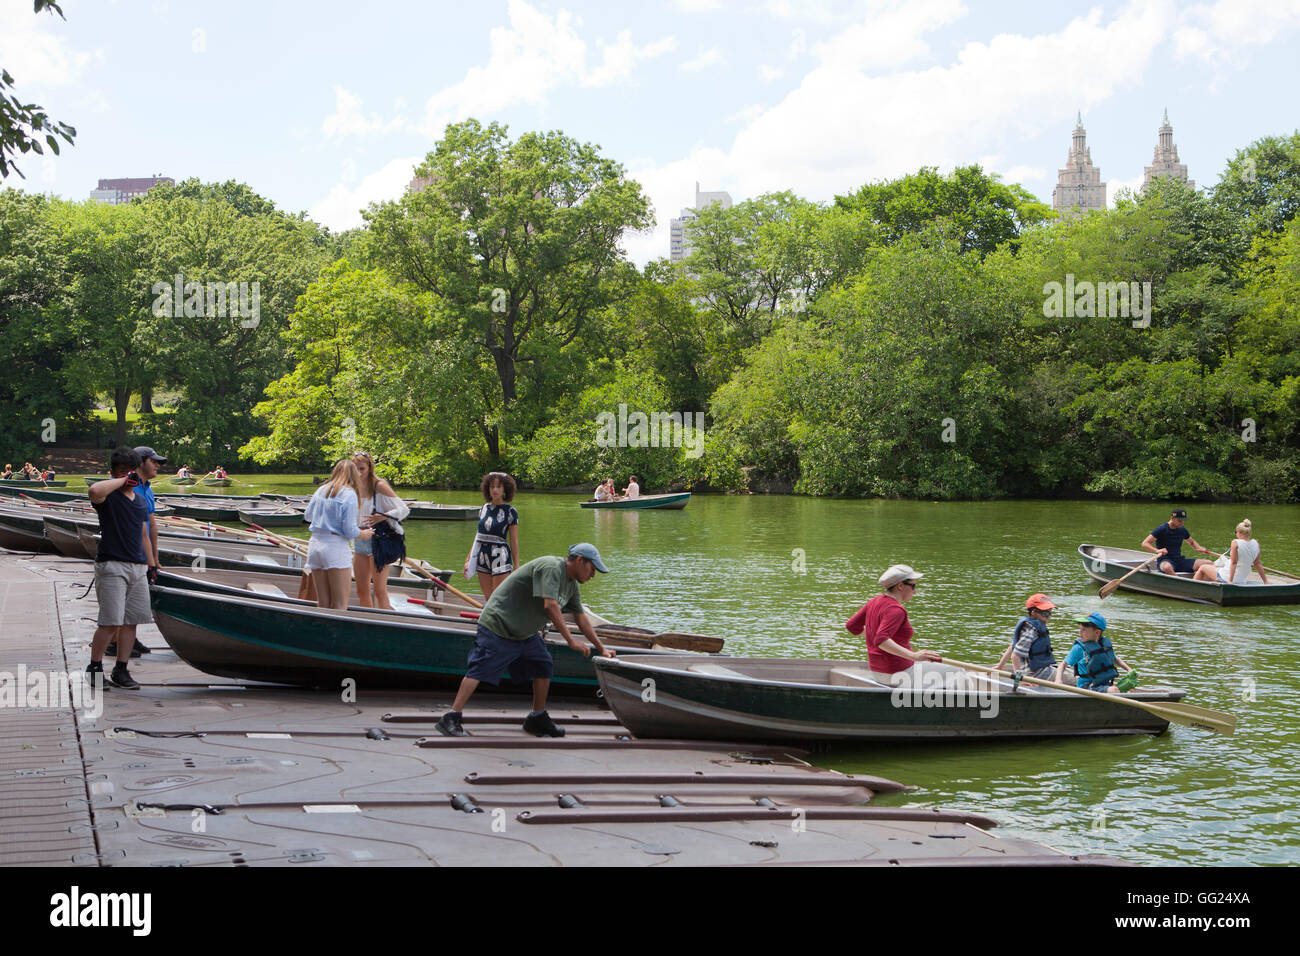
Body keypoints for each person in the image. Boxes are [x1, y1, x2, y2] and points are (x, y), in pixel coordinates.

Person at [436, 543, 616, 738]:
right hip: (498, 625)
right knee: (480, 668)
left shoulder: (571, 586)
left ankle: (536, 718)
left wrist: (602, 649)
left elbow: (581, 618)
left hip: (524, 633)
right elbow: (550, 605)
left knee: (543, 666)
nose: (593, 575)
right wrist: (571, 641)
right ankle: (451, 717)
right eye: (592, 569)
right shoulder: (552, 567)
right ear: (580, 560)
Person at [85, 448, 152, 690]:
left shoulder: (141, 500)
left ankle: (121, 670)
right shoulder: (108, 497)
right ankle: (94, 667)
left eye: (131, 472)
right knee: (110, 622)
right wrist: (122, 480)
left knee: (131, 622)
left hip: (137, 567)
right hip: (112, 565)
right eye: (123, 473)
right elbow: (94, 491)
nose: (129, 477)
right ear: (112, 473)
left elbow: (143, 533)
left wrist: (151, 562)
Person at [845, 564, 942, 685]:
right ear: (900, 586)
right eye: (913, 586)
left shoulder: (873, 602)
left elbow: (852, 626)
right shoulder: (896, 610)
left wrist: (872, 633)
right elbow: (881, 640)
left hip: (878, 672)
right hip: (899, 673)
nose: (915, 591)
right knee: (960, 673)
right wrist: (914, 656)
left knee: (931, 666)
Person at [302, 458, 372, 610]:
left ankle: (323, 632)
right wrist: (365, 534)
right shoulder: (349, 494)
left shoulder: (321, 489)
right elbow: (349, 530)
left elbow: (307, 516)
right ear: (354, 475)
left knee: (323, 603)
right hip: (335, 547)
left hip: (315, 545)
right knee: (340, 604)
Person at [351, 451, 410, 609]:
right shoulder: (353, 487)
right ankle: (367, 624)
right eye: (355, 469)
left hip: (378, 541)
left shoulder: (379, 486)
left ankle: (387, 621)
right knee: (361, 590)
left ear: (370, 468)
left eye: (362, 469)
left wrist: (384, 516)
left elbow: (403, 509)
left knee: (379, 591)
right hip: (359, 539)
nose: (358, 473)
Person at [464, 471, 520, 601]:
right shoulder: (483, 508)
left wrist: (516, 565)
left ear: (505, 489)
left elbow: (514, 540)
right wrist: (468, 559)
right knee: (488, 598)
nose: (495, 490)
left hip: (500, 555)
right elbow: (478, 535)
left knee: (498, 598)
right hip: (482, 555)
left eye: (498, 487)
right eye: (492, 486)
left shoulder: (510, 512)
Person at [994, 593, 1066, 681]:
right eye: (1045, 613)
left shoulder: (1030, 627)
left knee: (1068, 671)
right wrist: (1019, 680)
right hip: (1038, 674)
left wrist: (1000, 666)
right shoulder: (1032, 631)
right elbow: (1015, 656)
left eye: (1050, 613)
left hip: (1042, 670)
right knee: (1077, 679)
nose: (1049, 617)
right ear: (1034, 612)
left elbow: (1013, 646)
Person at [1055, 612, 1133, 694]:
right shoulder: (1079, 648)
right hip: (1086, 687)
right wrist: (1058, 680)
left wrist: (1129, 669)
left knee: (1128, 689)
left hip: (1104, 684)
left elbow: (1115, 659)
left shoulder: (1103, 646)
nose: (1080, 633)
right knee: (1114, 690)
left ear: (1097, 633)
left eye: (1084, 630)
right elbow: (1062, 665)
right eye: (1080, 629)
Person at [1142, 508, 1214, 577]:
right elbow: (1145, 543)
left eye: (1183, 520)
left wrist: (1198, 548)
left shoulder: (1182, 529)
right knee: (1167, 567)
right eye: (1179, 520)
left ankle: (1201, 581)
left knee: (1208, 563)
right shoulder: (1161, 529)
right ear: (1172, 518)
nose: (1182, 523)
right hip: (1165, 560)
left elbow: (1191, 542)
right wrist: (1157, 550)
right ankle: (1181, 583)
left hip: (1179, 560)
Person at [1195, 519, 1269, 585]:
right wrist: (1265, 581)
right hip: (1243, 580)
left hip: (1228, 578)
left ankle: (1192, 588)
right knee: (1214, 567)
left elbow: (1234, 563)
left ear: (1239, 533)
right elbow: (1257, 563)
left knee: (1203, 567)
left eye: (1235, 532)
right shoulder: (1256, 543)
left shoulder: (1235, 543)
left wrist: (1230, 581)